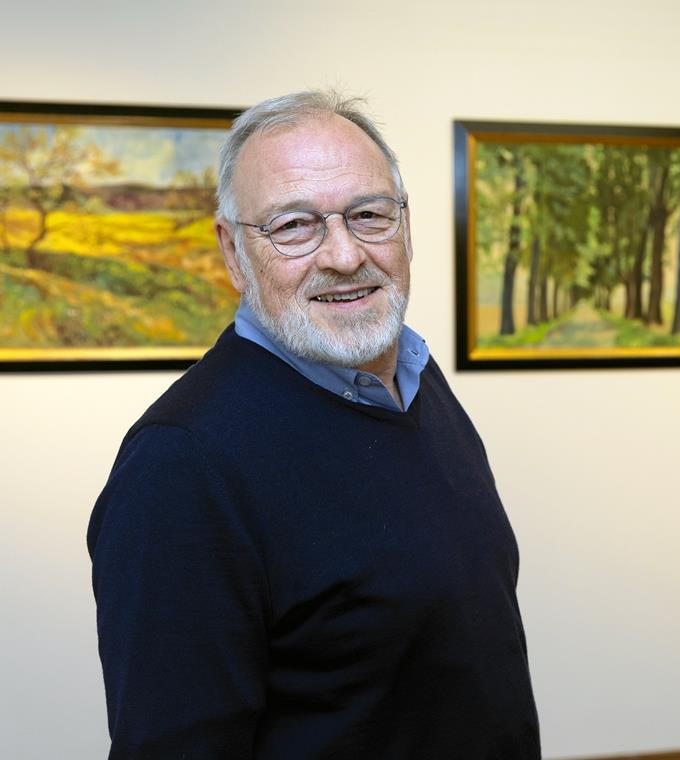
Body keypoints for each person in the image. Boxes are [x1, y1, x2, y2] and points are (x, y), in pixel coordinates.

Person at [87, 90, 540, 759]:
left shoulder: (414, 379)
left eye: (369, 215)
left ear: (406, 226)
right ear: (233, 253)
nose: (344, 254)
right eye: (294, 226)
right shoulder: (184, 466)